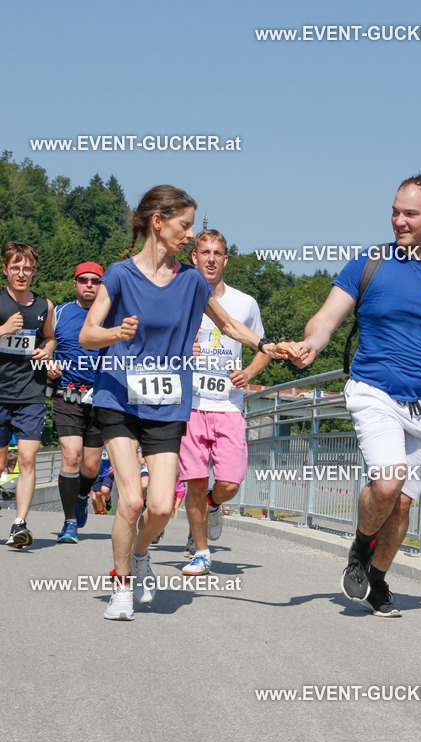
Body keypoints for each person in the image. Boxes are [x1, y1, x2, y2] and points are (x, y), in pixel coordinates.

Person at [80, 184, 296, 620]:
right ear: (158, 224)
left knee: (160, 506)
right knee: (131, 501)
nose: (189, 235)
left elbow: (231, 325)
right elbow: (87, 335)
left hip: (166, 404)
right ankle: (121, 586)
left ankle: (140, 556)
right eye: (184, 225)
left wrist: (270, 345)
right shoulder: (120, 275)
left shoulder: (192, 281)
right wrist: (116, 334)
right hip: (119, 397)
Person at [292, 175, 421, 616]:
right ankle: (361, 548)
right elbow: (326, 318)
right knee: (388, 482)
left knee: (402, 505)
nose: (399, 221)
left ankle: (379, 580)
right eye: (394, 212)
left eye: (411, 214)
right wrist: (311, 343)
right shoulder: (369, 265)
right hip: (375, 392)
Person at [178, 229, 270, 576]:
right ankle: (200, 551)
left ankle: (213, 506)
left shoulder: (244, 303)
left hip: (228, 405)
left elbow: (262, 347)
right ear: (194, 257)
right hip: (191, 404)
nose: (211, 259)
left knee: (229, 483)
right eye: (205, 252)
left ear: (226, 259)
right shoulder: (180, 298)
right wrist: (183, 352)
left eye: (218, 253)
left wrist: (248, 371)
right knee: (196, 481)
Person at [0, 241, 56, 548]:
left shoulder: (44, 306)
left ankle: (19, 523)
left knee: (27, 458)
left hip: (31, 393)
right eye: (16, 268)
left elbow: (50, 338)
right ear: (6, 269)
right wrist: (4, 328)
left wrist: (46, 351)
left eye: (27, 268)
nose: (22, 274)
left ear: (34, 271)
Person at [49, 262, 105, 543]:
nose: (89, 285)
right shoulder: (59, 313)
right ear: (75, 284)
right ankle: (69, 522)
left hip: (100, 399)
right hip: (66, 396)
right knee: (71, 456)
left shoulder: (112, 315)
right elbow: (45, 343)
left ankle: (83, 496)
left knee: (92, 466)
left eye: (95, 281)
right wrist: (47, 363)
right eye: (83, 280)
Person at [91, 446, 114, 513]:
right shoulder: (94, 444)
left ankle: (108, 500)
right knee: (97, 494)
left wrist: (114, 466)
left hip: (108, 472)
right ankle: (100, 512)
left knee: (105, 490)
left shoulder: (109, 443)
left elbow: (117, 456)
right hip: (96, 473)